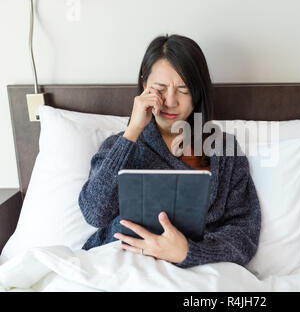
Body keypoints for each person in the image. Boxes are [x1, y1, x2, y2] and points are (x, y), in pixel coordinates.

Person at [78, 34, 261, 268]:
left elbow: (244, 233)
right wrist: (132, 132)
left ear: (197, 93)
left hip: (195, 270)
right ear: (144, 85)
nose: (170, 101)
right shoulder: (119, 145)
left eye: (183, 90)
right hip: (120, 264)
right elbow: (95, 213)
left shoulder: (224, 151)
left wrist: (188, 251)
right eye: (160, 89)